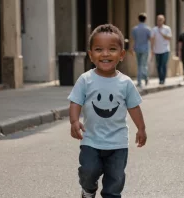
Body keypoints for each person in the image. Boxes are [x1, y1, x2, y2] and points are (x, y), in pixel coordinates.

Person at [68, 24, 147, 198]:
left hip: (118, 142)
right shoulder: (86, 79)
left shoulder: (125, 83)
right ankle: (88, 189)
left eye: (112, 49)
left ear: (121, 55)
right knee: (89, 170)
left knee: (115, 180)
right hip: (91, 140)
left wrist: (141, 128)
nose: (105, 54)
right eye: (98, 49)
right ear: (90, 54)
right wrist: (74, 121)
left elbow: (134, 107)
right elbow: (75, 101)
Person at [130, 13, 151, 88]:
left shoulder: (135, 29)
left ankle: (139, 81)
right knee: (144, 64)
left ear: (138, 19)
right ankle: (145, 78)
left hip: (137, 48)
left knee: (139, 65)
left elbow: (133, 39)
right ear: (145, 19)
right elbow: (149, 38)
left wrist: (132, 48)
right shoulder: (148, 29)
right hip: (145, 48)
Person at [151, 15, 172, 85]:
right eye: (158, 20)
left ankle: (163, 79)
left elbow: (169, 38)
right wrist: (152, 49)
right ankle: (160, 79)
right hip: (157, 50)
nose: (159, 21)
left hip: (165, 50)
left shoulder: (167, 28)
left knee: (163, 64)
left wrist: (162, 34)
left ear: (163, 20)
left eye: (160, 20)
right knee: (158, 65)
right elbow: (152, 39)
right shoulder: (154, 29)